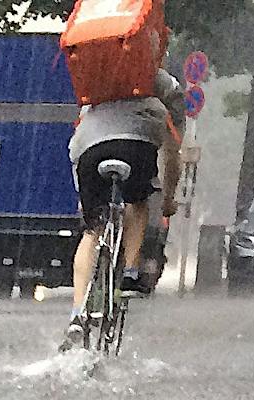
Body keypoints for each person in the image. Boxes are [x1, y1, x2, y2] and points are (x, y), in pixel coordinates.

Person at [59, 69, 186, 351]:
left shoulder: (96, 89)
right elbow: (172, 158)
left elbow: (76, 149)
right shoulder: (156, 92)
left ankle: (77, 313)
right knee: (137, 203)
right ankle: (129, 273)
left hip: (89, 149)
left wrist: (86, 203)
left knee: (92, 231)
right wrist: (168, 200)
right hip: (136, 147)